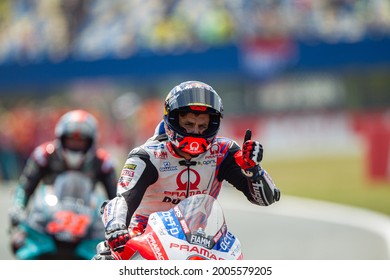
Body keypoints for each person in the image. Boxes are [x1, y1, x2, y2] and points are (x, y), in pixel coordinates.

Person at [95, 81, 280, 259]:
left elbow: (266, 199)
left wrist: (253, 170)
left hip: (199, 242)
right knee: (104, 258)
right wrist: (116, 226)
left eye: (202, 126)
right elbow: (123, 199)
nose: (195, 132)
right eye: (189, 125)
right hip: (144, 240)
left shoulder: (224, 152)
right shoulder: (146, 155)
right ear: (173, 121)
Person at [8, 109, 118, 254]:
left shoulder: (103, 161)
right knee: (19, 241)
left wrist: (118, 222)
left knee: (113, 253)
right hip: (47, 217)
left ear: (91, 142)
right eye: (71, 139)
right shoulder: (44, 154)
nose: (75, 144)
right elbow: (25, 187)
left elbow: (117, 198)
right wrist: (18, 208)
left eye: (81, 140)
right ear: (61, 138)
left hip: (86, 221)